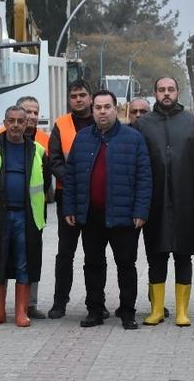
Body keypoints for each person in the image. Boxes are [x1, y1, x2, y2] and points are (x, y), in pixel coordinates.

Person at [63, 90, 151, 330]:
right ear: (92, 110)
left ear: (117, 109)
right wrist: (70, 207)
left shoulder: (133, 138)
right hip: (91, 215)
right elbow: (70, 176)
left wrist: (141, 211)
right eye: (98, 107)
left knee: (126, 264)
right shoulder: (82, 138)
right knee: (93, 264)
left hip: (124, 216)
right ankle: (95, 309)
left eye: (107, 107)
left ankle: (127, 311)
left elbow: (144, 177)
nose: (102, 111)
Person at [135, 77, 194, 327]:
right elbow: (136, 163)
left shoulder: (193, 122)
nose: (166, 94)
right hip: (154, 200)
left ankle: (182, 310)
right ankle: (156, 309)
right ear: (154, 93)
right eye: (161, 90)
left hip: (186, 199)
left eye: (170, 90)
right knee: (155, 255)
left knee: (183, 255)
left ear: (178, 92)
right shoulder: (143, 124)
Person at [0, 106, 50, 327]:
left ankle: (21, 312)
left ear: (27, 123)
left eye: (21, 121)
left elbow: (45, 182)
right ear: (5, 122)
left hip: (26, 217)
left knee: (24, 262)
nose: (16, 125)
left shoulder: (37, 150)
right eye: (12, 121)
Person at [47, 80, 98, 320]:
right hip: (67, 196)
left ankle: (96, 302)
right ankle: (60, 302)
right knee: (65, 253)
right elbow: (54, 159)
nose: (78, 99)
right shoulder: (61, 124)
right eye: (74, 96)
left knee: (94, 254)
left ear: (90, 98)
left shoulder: (101, 121)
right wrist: (72, 180)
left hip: (95, 199)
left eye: (82, 95)